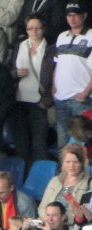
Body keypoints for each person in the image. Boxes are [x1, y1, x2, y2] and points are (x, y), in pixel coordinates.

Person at [11, 14, 55, 164]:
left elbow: (55, 77)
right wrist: (15, 73)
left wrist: (47, 100)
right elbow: (8, 70)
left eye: (38, 28)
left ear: (43, 28)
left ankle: (40, 183)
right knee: (21, 147)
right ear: (26, 29)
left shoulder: (50, 49)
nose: (34, 31)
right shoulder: (21, 45)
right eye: (30, 28)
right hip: (19, 101)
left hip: (39, 103)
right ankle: (21, 182)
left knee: (39, 146)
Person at [52, 1, 92, 149]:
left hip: (81, 100)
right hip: (61, 99)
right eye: (69, 15)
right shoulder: (61, 36)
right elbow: (57, 65)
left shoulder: (91, 36)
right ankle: (63, 173)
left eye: (76, 15)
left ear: (85, 15)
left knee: (84, 144)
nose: (72, 18)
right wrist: (54, 90)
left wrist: (84, 93)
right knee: (62, 144)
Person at [39, 144, 90, 226]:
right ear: (63, 162)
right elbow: (42, 207)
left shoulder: (89, 184)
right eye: (68, 162)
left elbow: (86, 214)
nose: (71, 166)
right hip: (48, 224)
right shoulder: (54, 181)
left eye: (75, 162)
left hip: (71, 228)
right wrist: (49, 219)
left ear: (82, 163)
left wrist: (62, 220)